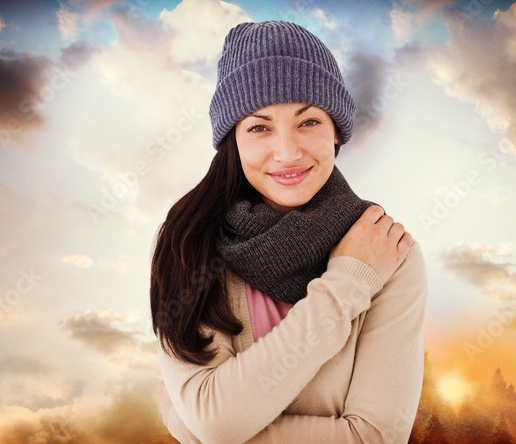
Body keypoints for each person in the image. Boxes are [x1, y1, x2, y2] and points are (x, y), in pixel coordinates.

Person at [149, 20, 427, 443]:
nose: (288, 152)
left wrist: (200, 430)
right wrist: (348, 283)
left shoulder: (388, 252)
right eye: (259, 127)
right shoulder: (185, 243)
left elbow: (374, 437)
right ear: (233, 140)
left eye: (309, 122)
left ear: (336, 130)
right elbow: (220, 420)